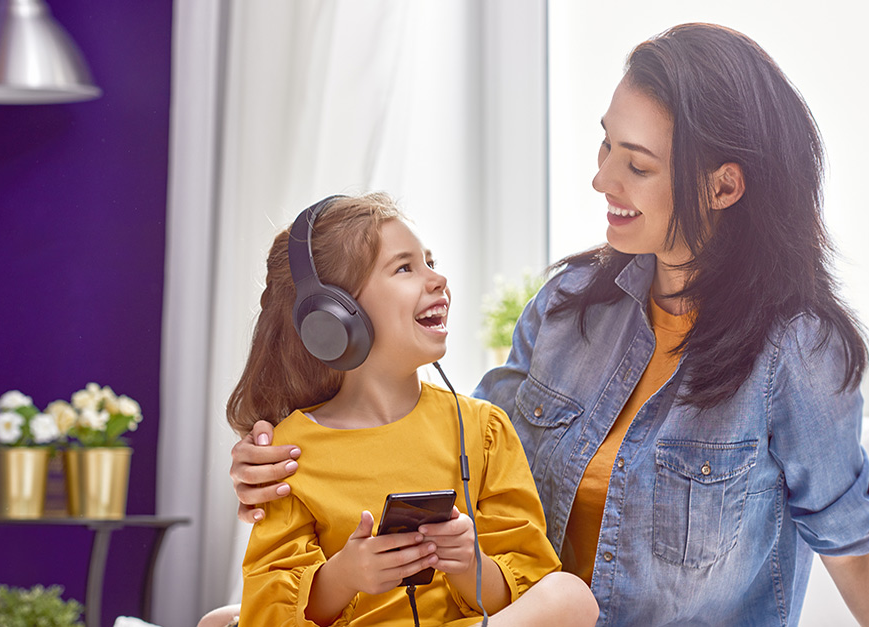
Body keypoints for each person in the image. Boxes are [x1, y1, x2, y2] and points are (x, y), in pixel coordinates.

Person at [231, 24, 869, 626]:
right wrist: (282, 461)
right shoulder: (567, 308)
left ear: (724, 186)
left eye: (638, 165)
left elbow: (858, 554)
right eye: (606, 148)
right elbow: (450, 454)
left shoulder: (794, 353)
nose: (602, 181)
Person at [228, 193, 598, 627]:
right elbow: (268, 611)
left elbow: (526, 587)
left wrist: (468, 565)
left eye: (430, 261)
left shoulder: (483, 429)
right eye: (405, 268)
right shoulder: (286, 455)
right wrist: (345, 575)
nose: (437, 278)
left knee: (569, 595)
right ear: (335, 315)